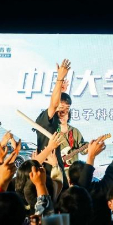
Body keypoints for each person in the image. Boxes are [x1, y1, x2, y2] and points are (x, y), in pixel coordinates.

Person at [35, 59, 72, 189]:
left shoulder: (57, 120)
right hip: (47, 169)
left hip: (56, 166)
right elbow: (54, 104)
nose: (64, 111)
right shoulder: (46, 118)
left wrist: (60, 91)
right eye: (62, 107)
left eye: (67, 108)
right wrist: (60, 78)